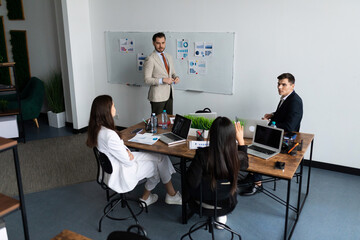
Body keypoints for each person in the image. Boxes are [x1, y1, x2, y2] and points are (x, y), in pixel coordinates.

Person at [86, 95, 182, 206]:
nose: (115, 108)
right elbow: (128, 161)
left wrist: (127, 152)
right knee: (158, 165)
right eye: (113, 105)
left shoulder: (98, 129)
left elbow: (120, 151)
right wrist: (127, 154)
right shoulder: (109, 135)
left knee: (161, 157)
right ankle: (168, 195)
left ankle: (155, 197)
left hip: (113, 166)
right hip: (122, 171)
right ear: (106, 111)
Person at [240, 72, 303, 196]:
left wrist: (271, 122)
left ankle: (258, 184)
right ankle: (252, 175)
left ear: (292, 86)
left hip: (286, 139)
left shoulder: (295, 101)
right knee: (252, 145)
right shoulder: (287, 98)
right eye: (278, 84)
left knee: (258, 149)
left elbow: (290, 126)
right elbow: (284, 114)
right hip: (279, 135)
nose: (279, 87)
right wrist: (273, 115)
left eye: (283, 85)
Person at [185, 117, 249, 227]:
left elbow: (192, 182)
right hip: (226, 203)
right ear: (232, 137)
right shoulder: (237, 157)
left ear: (212, 134)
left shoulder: (202, 155)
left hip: (200, 201)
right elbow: (245, 165)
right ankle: (220, 217)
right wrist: (241, 142)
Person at [144, 32, 180, 115]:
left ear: (165, 42)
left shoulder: (169, 57)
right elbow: (146, 79)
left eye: (163, 43)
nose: (161, 46)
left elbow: (173, 73)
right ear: (153, 43)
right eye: (158, 43)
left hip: (170, 94)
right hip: (157, 96)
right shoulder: (150, 59)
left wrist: (176, 77)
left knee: (169, 121)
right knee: (157, 122)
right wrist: (163, 80)